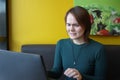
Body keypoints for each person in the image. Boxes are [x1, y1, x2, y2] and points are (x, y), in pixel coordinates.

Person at [47, 6, 106, 80]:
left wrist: (82, 77)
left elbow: (101, 78)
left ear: (86, 26)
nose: (71, 29)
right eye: (68, 24)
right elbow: (56, 72)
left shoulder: (98, 49)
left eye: (76, 25)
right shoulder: (61, 44)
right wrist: (43, 72)